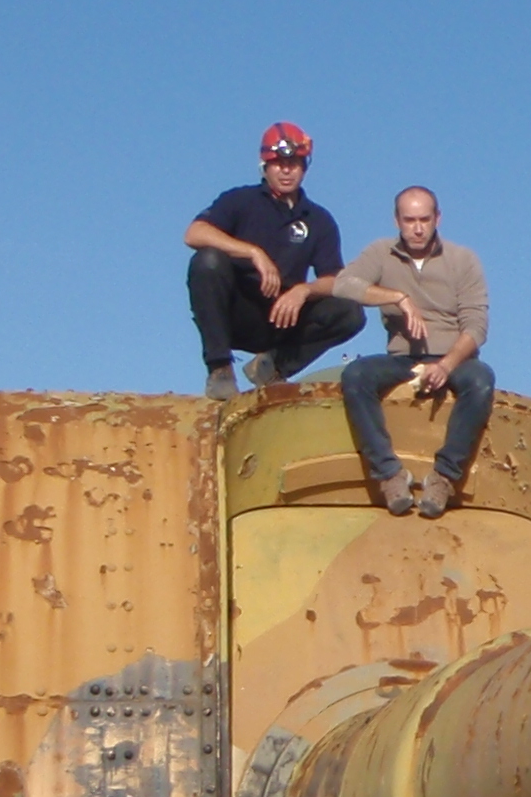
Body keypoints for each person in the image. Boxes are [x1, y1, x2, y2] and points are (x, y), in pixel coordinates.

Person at [324, 187, 496, 514]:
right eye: (409, 220)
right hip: (402, 358)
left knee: (481, 380)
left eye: (424, 220)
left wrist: (445, 366)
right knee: (356, 375)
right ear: (397, 221)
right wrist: (396, 297)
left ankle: (444, 477)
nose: (417, 228)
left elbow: (476, 327)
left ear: (437, 219)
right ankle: (389, 474)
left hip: (453, 358)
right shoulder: (380, 253)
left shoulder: (463, 260)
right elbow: (343, 285)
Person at [182, 121, 369, 394]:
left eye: (294, 163)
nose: (286, 170)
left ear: (305, 166)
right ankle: (220, 369)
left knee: (350, 310)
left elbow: (334, 279)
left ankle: (272, 366)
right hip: (238, 312)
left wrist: (304, 291)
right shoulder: (240, 200)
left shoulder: (318, 219)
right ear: (265, 165)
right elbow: (194, 233)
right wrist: (252, 252)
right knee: (207, 261)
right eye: (278, 163)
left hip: (283, 318)